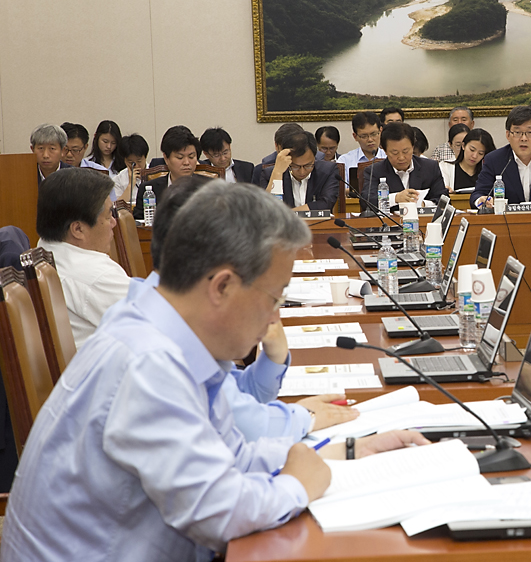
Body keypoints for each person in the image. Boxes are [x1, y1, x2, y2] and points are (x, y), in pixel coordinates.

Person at [2, 182, 427, 561]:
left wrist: (350, 451)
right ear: (222, 286)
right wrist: (297, 487)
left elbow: (233, 457)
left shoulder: (171, 337)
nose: (277, 314)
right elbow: (217, 512)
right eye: (274, 296)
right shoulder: (149, 361)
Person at [147, 176, 357, 442]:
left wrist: (274, 358)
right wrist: (305, 420)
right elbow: (238, 439)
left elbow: (236, 397)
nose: (274, 316)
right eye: (273, 298)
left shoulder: (173, 314)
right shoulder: (157, 355)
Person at [36, 167, 131, 348]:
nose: (113, 222)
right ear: (78, 229)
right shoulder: (97, 276)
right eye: (109, 214)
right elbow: (164, 324)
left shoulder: (44, 247)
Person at [361, 121, 447, 210]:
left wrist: (423, 204)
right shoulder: (374, 171)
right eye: (395, 153)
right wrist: (396, 198)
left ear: (413, 146)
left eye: (406, 151)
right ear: (385, 151)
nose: (401, 157)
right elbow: (366, 202)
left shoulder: (430, 167)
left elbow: (444, 200)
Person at [132, 126, 201, 219]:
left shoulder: (209, 187)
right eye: (180, 157)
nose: (186, 163)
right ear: (166, 158)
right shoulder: (149, 190)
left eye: (191, 157)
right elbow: (139, 225)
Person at [261, 131, 339, 211]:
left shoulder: (328, 171)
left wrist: (288, 214)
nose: (302, 172)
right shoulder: (269, 174)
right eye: (295, 166)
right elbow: (268, 209)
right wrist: (277, 173)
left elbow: (326, 203)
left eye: (308, 165)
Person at [440, 128, 496, 193]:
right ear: (463, 146)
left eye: (480, 153)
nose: (474, 156)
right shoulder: (445, 167)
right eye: (472, 150)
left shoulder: (488, 170)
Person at [112, 133, 149, 208]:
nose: (137, 166)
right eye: (131, 163)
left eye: (139, 161)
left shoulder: (156, 173)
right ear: (125, 160)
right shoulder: (118, 179)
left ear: (145, 157)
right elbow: (116, 208)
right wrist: (130, 185)